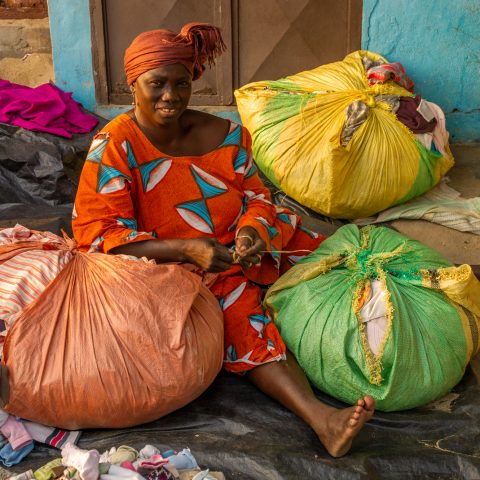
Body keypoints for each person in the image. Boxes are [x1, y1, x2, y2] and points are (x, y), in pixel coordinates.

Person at [72, 23, 375, 457]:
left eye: (182, 83)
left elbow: (258, 198)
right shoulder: (116, 145)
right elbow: (99, 235)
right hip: (170, 264)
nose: (170, 96)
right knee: (238, 313)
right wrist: (185, 249)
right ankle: (321, 419)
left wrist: (251, 232)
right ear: (130, 85)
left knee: (337, 262)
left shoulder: (229, 136)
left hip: (240, 246)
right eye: (156, 84)